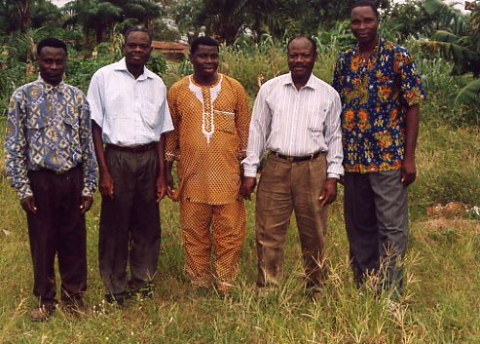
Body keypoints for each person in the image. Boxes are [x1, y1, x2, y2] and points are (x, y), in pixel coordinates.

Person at [332, 0, 426, 297]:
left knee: (391, 229)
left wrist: (408, 158)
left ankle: (391, 295)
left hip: (388, 160)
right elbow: (336, 108)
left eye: (367, 21)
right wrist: (337, 161)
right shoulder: (344, 61)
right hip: (354, 162)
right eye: (356, 22)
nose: (361, 27)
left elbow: (412, 106)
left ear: (378, 21)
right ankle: (365, 289)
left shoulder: (398, 57)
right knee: (360, 230)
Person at [242, 36, 343, 298]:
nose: (299, 60)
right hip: (275, 166)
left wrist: (333, 176)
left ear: (315, 57)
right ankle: (268, 289)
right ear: (288, 57)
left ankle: (316, 290)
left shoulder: (328, 94)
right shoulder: (270, 90)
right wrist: (250, 171)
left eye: (305, 55)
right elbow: (257, 131)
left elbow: (334, 137)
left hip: (313, 168)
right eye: (294, 55)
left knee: (315, 233)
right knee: (268, 232)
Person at [4, 38, 97, 321]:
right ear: (38, 61)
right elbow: (14, 145)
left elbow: (87, 143)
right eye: (48, 61)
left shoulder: (77, 97)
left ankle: (73, 297)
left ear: (66, 62)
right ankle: (45, 300)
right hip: (40, 181)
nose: (54, 66)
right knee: (43, 241)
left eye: (59, 61)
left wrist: (88, 186)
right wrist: (23, 188)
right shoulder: (22, 97)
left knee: (73, 240)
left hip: (72, 178)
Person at [87, 26, 173, 304]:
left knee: (147, 225)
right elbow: (95, 127)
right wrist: (104, 171)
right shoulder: (104, 77)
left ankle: (142, 280)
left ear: (150, 49)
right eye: (132, 45)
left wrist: (162, 174)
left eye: (143, 46)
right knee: (115, 225)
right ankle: (115, 287)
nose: (137, 50)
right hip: (117, 157)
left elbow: (161, 132)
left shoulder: (157, 83)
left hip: (149, 158)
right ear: (123, 47)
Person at [165, 36, 250, 295]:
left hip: (228, 177)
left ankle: (225, 281)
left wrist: (249, 172)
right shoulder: (177, 91)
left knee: (230, 231)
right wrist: (166, 169)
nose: (209, 61)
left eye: (213, 56)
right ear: (191, 57)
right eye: (203, 56)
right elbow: (171, 134)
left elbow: (245, 133)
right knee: (194, 231)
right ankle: (199, 280)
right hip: (192, 177)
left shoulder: (235, 89)